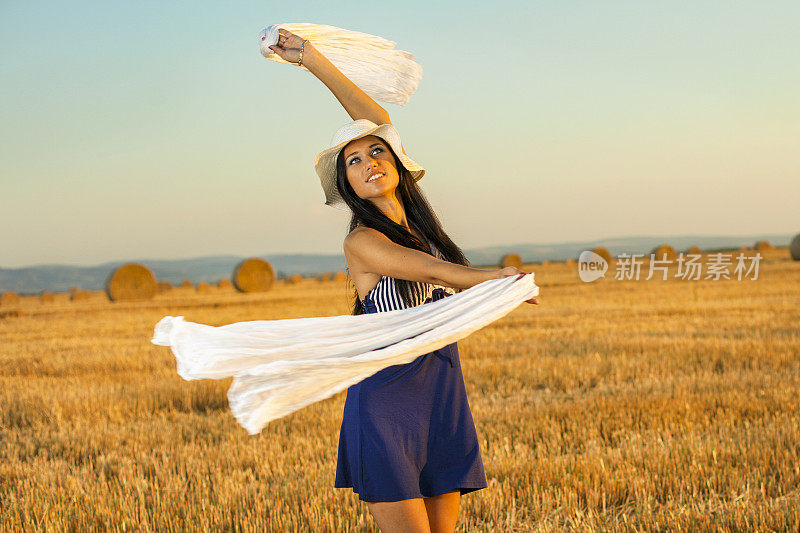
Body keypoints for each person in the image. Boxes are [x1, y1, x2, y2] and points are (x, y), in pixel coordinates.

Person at [268, 29, 539, 533]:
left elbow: (378, 121)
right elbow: (434, 272)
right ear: (346, 185)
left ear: (394, 161)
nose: (368, 162)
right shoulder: (363, 242)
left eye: (376, 153)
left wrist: (311, 58)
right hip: (388, 400)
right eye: (353, 162)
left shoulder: (425, 230)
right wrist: (490, 277)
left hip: (441, 389)